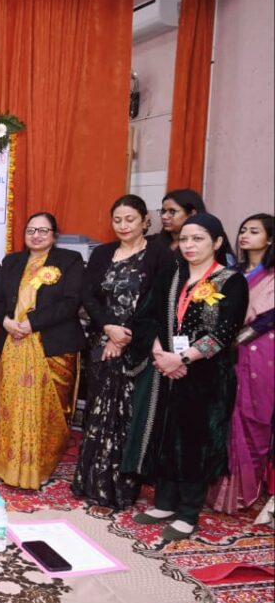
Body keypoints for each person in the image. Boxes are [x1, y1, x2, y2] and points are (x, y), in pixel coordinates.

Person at [126, 213, 248, 540]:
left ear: (217, 242)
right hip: (165, 370)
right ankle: (165, 502)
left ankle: (189, 512)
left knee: (194, 441)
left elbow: (223, 333)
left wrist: (181, 358)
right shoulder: (172, 275)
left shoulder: (231, 281)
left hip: (206, 377)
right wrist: (160, 355)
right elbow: (147, 317)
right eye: (184, 239)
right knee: (166, 435)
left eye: (198, 239)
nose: (189, 245)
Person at [72, 196, 175, 509]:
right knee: (98, 412)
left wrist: (123, 337)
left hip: (137, 348)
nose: (123, 225)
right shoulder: (103, 253)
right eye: (117, 220)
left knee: (128, 416)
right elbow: (87, 295)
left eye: (130, 219)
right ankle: (90, 482)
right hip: (101, 343)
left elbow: (159, 303)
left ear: (145, 220)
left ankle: (120, 488)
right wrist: (108, 328)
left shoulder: (160, 255)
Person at [0, 212, 84, 489]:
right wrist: (6, 321)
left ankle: (42, 466)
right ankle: (10, 466)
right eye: (31, 230)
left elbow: (71, 302)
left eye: (43, 230)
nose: (36, 235)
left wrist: (32, 323)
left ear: (54, 235)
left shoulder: (69, 261)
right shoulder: (12, 261)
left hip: (52, 345)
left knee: (48, 411)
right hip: (14, 343)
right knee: (13, 408)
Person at [208, 213, 274, 513]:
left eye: (254, 231)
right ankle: (217, 488)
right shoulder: (231, 272)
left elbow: (270, 315)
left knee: (251, 415)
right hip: (224, 350)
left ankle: (244, 490)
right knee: (224, 412)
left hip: (259, 351)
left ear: (270, 239)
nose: (245, 235)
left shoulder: (271, 275)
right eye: (243, 229)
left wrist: (243, 335)